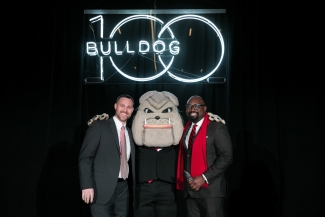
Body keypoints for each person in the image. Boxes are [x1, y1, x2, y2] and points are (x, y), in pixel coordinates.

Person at [79, 94, 135, 217]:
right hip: (101, 189)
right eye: (122, 105)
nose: (125, 110)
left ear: (132, 110)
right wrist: (86, 185)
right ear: (115, 106)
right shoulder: (99, 126)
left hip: (123, 189)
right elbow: (85, 158)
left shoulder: (129, 132)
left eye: (129, 107)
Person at [176, 95, 233, 217]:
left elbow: (226, 156)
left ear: (205, 108)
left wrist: (204, 178)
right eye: (189, 106)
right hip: (191, 191)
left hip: (211, 191)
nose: (192, 109)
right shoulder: (186, 129)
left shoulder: (216, 127)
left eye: (197, 106)